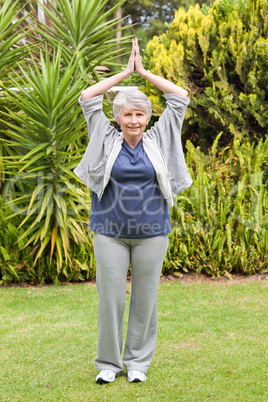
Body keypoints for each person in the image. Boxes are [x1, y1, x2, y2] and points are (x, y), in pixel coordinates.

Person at [74, 38, 192, 384]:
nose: (134, 120)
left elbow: (180, 96)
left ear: (147, 117)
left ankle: (138, 362)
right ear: (118, 117)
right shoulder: (104, 136)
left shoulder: (161, 136)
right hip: (109, 231)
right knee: (110, 300)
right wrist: (125, 73)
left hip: (152, 233)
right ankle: (108, 364)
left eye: (140, 114)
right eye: (128, 113)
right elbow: (87, 98)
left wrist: (144, 72)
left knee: (145, 299)